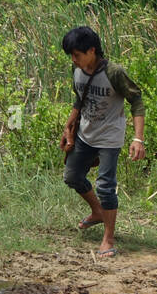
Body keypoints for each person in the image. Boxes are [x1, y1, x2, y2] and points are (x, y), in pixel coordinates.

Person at [59, 26, 145, 257]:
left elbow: (136, 100)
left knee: (105, 186)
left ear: (92, 50)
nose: (74, 60)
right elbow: (79, 99)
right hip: (85, 135)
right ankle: (97, 211)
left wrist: (138, 139)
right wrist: (69, 127)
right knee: (72, 176)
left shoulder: (114, 73)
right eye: (71, 56)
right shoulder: (76, 71)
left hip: (109, 138)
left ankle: (108, 239)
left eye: (77, 54)